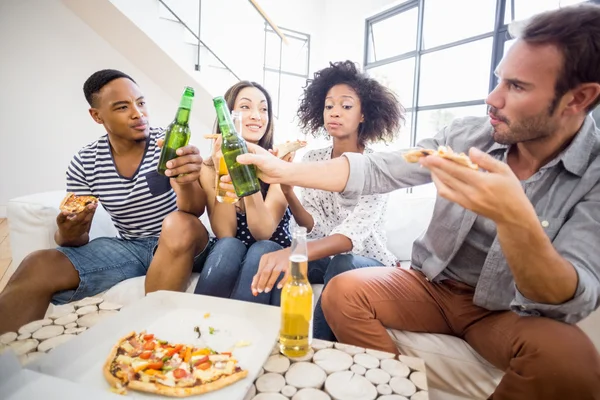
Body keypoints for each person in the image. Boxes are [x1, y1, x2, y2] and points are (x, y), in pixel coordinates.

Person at [236, 5, 600, 399]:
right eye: (499, 80)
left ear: (577, 98)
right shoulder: (469, 135)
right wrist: (282, 171)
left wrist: (515, 220)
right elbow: (379, 170)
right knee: (342, 292)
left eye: (517, 86)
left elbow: (572, 298)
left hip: (507, 311)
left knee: (571, 360)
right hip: (429, 286)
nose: (492, 98)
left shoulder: (594, 174)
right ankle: (397, 391)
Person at [0, 69, 214, 334]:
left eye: (141, 102)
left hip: (184, 242)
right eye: (123, 107)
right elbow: (74, 241)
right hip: (130, 247)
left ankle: (150, 340)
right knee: (37, 264)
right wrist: (68, 230)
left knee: (178, 223)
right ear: (97, 115)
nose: (138, 113)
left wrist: (185, 181)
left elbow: (194, 210)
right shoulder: (85, 162)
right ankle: (7, 363)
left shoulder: (166, 143)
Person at [250, 61, 403, 340]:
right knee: (267, 252)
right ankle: (263, 341)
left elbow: (348, 239)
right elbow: (314, 228)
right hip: (329, 256)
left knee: (340, 264)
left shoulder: (377, 166)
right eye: (329, 105)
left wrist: (295, 253)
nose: (334, 112)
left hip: (369, 261)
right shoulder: (313, 159)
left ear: (363, 114)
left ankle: (320, 353)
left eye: (346, 106)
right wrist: (287, 189)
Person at [195, 81, 291, 306]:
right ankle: (196, 325)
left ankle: (244, 333)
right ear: (227, 116)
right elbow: (225, 232)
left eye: (264, 109)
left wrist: (244, 171)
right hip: (232, 250)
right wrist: (224, 169)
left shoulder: (278, 162)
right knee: (228, 245)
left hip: (270, 247)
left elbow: (263, 233)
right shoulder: (208, 168)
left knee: (262, 249)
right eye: (246, 107)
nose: (257, 116)